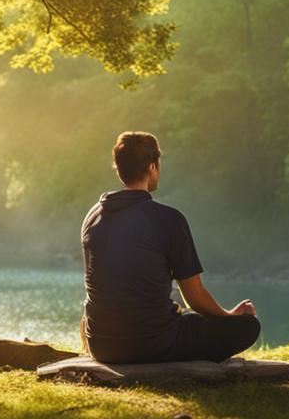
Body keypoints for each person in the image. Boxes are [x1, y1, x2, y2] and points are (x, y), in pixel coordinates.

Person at [79, 131, 260, 364]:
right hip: (153, 342)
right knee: (247, 327)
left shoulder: (93, 216)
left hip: (103, 345)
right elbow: (194, 296)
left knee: (175, 313)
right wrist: (229, 315)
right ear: (152, 167)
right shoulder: (168, 219)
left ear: (119, 169)